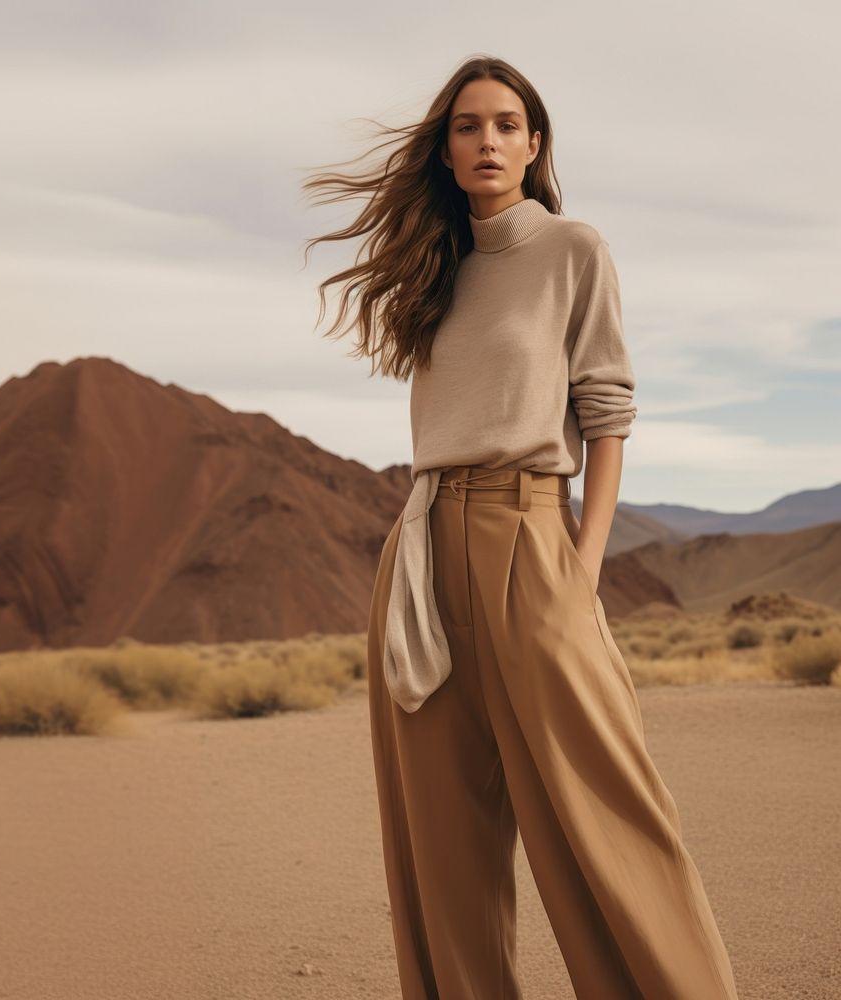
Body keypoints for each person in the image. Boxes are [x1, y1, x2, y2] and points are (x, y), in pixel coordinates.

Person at [304, 55, 739, 1000]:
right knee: (440, 841)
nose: (487, 140)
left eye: (506, 124)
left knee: (604, 810)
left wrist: (581, 573)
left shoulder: (573, 249)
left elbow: (608, 412)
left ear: (534, 144)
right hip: (422, 552)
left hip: (530, 536)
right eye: (467, 126)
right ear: (447, 150)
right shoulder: (436, 269)